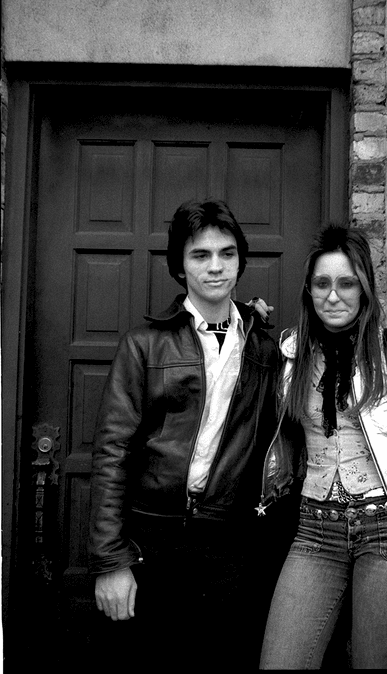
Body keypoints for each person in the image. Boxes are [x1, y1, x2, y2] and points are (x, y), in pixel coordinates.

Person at [88, 198, 289, 670]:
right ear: (179, 266)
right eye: (200, 256)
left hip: (228, 549)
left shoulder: (265, 348)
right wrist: (110, 561)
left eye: (227, 253)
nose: (215, 267)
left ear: (241, 259)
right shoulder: (145, 345)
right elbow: (112, 452)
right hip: (150, 541)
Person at [258, 223, 387, 670]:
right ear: (308, 290)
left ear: (365, 287)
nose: (333, 295)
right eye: (322, 284)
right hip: (314, 532)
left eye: (347, 283)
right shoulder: (292, 351)